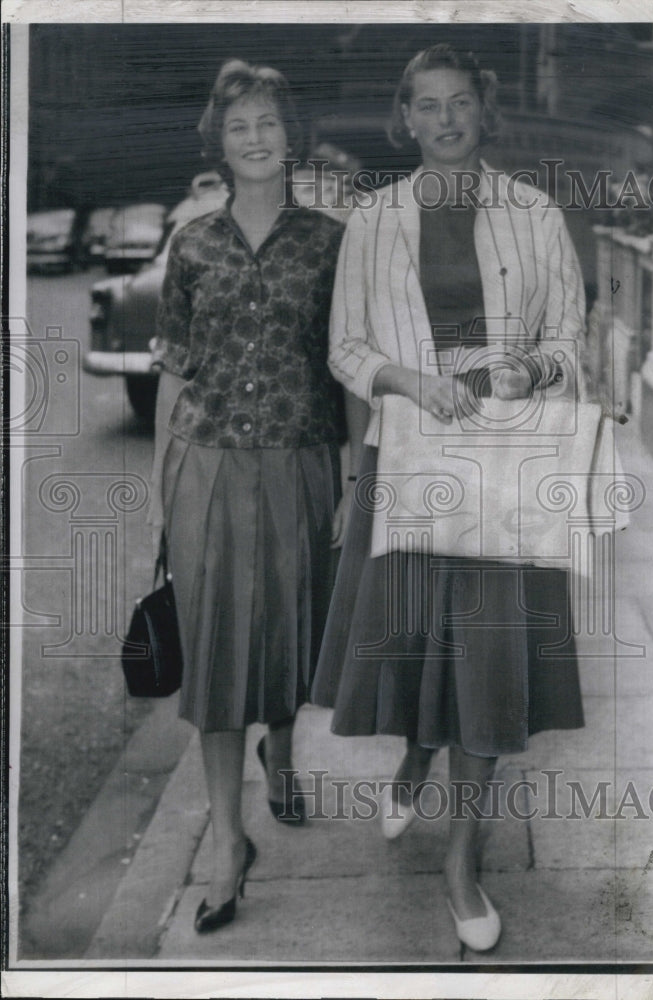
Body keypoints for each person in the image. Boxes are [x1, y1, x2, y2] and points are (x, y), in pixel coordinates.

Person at [312, 43, 591, 952]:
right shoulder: (375, 220)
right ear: (407, 117)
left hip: (509, 458)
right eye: (426, 105)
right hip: (414, 453)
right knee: (421, 646)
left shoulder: (535, 213)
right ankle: (412, 760)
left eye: (459, 101)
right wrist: (406, 380)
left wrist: (525, 367)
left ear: (484, 110)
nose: (444, 119)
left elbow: (570, 340)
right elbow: (345, 348)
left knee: (491, 661)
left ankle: (462, 860)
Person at [149, 59, 345, 933]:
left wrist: (350, 478)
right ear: (217, 142)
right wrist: (165, 490)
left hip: (300, 462)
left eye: (268, 120)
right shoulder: (190, 244)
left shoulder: (331, 241)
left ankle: (284, 746)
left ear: (288, 131)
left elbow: (346, 372)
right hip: (209, 465)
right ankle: (231, 843)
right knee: (218, 655)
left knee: (286, 632)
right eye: (239, 126)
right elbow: (172, 372)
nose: (256, 136)